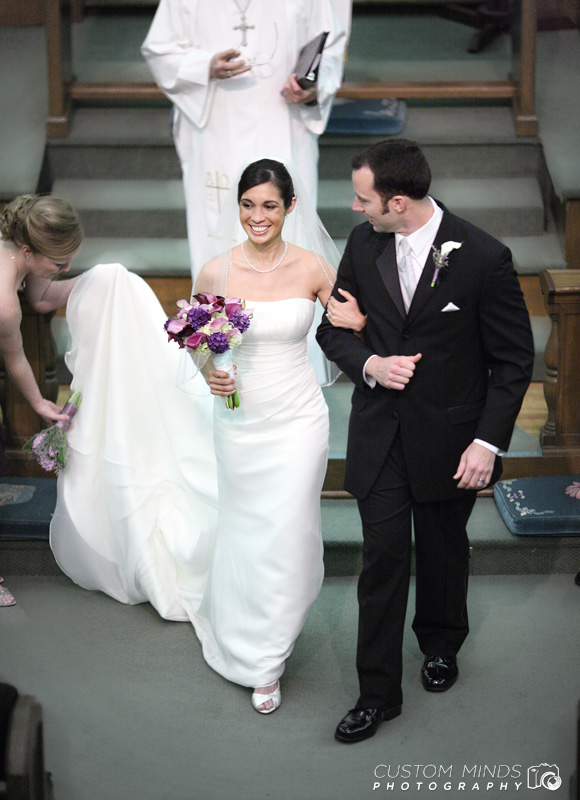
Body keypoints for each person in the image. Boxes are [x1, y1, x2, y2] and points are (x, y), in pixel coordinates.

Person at [49, 158, 343, 715]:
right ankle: (255, 653)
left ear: (290, 208)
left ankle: (275, 640)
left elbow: (347, 328)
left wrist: (357, 329)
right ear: (238, 207)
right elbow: (196, 340)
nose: (258, 216)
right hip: (239, 419)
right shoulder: (216, 272)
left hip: (300, 417)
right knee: (247, 529)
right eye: (249, 205)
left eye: (270, 206)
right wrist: (211, 370)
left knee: (291, 530)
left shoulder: (314, 269)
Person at [316, 139, 535, 743]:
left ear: (399, 202)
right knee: (382, 559)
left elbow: (513, 360)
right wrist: (371, 364)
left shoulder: (484, 256)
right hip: (381, 432)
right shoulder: (362, 244)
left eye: (364, 200)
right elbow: (330, 333)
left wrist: (488, 443)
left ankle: (441, 644)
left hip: (450, 436)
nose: (356, 209)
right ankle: (376, 694)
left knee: (442, 549)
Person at [141, 0, 347, 278]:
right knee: (219, 229)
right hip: (216, 127)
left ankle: (294, 314)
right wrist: (205, 65)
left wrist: (313, 86)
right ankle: (218, 319)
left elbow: (329, 45)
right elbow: (159, 49)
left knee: (290, 227)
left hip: (285, 120)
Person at [0, 194, 83, 608]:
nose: (64, 269)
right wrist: (34, 400)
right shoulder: (3, 301)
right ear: (30, 252)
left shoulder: (20, 251)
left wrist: (99, 281)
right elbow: (13, 356)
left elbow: (43, 298)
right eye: (58, 264)